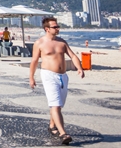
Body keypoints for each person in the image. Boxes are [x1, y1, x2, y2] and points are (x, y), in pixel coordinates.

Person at [29, 17, 84, 146]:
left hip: (63, 76)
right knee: (56, 105)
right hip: (48, 75)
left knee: (59, 104)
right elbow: (34, 61)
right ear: (47, 29)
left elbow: (73, 56)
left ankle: (52, 126)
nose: (58, 28)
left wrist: (80, 68)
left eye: (58, 26)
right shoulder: (39, 43)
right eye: (55, 27)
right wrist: (31, 77)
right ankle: (63, 133)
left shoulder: (62, 42)